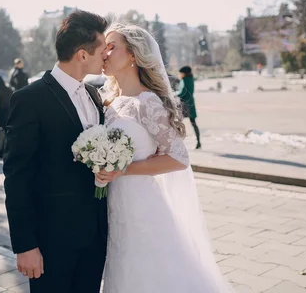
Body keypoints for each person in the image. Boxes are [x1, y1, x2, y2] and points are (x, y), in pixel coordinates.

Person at [98, 23, 231, 293]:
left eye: (112, 47)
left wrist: (122, 170)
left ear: (133, 55)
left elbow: (178, 158)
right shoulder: (108, 102)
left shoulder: (147, 102)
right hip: (113, 206)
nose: (104, 52)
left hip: (141, 207)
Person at [3, 10, 108, 293]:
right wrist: (25, 246)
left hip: (95, 237)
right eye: (102, 50)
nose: (106, 57)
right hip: (52, 242)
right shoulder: (29, 99)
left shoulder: (94, 96)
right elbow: (17, 177)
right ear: (83, 55)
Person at [178, 65, 201, 149]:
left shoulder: (184, 80)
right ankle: (198, 141)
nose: (180, 75)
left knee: (177, 123)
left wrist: (174, 94)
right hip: (190, 103)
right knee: (193, 123)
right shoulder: (191, 79)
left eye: (181, 73)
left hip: (184, 104)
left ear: (184, 73)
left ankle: (176, 142)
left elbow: (183, 92)